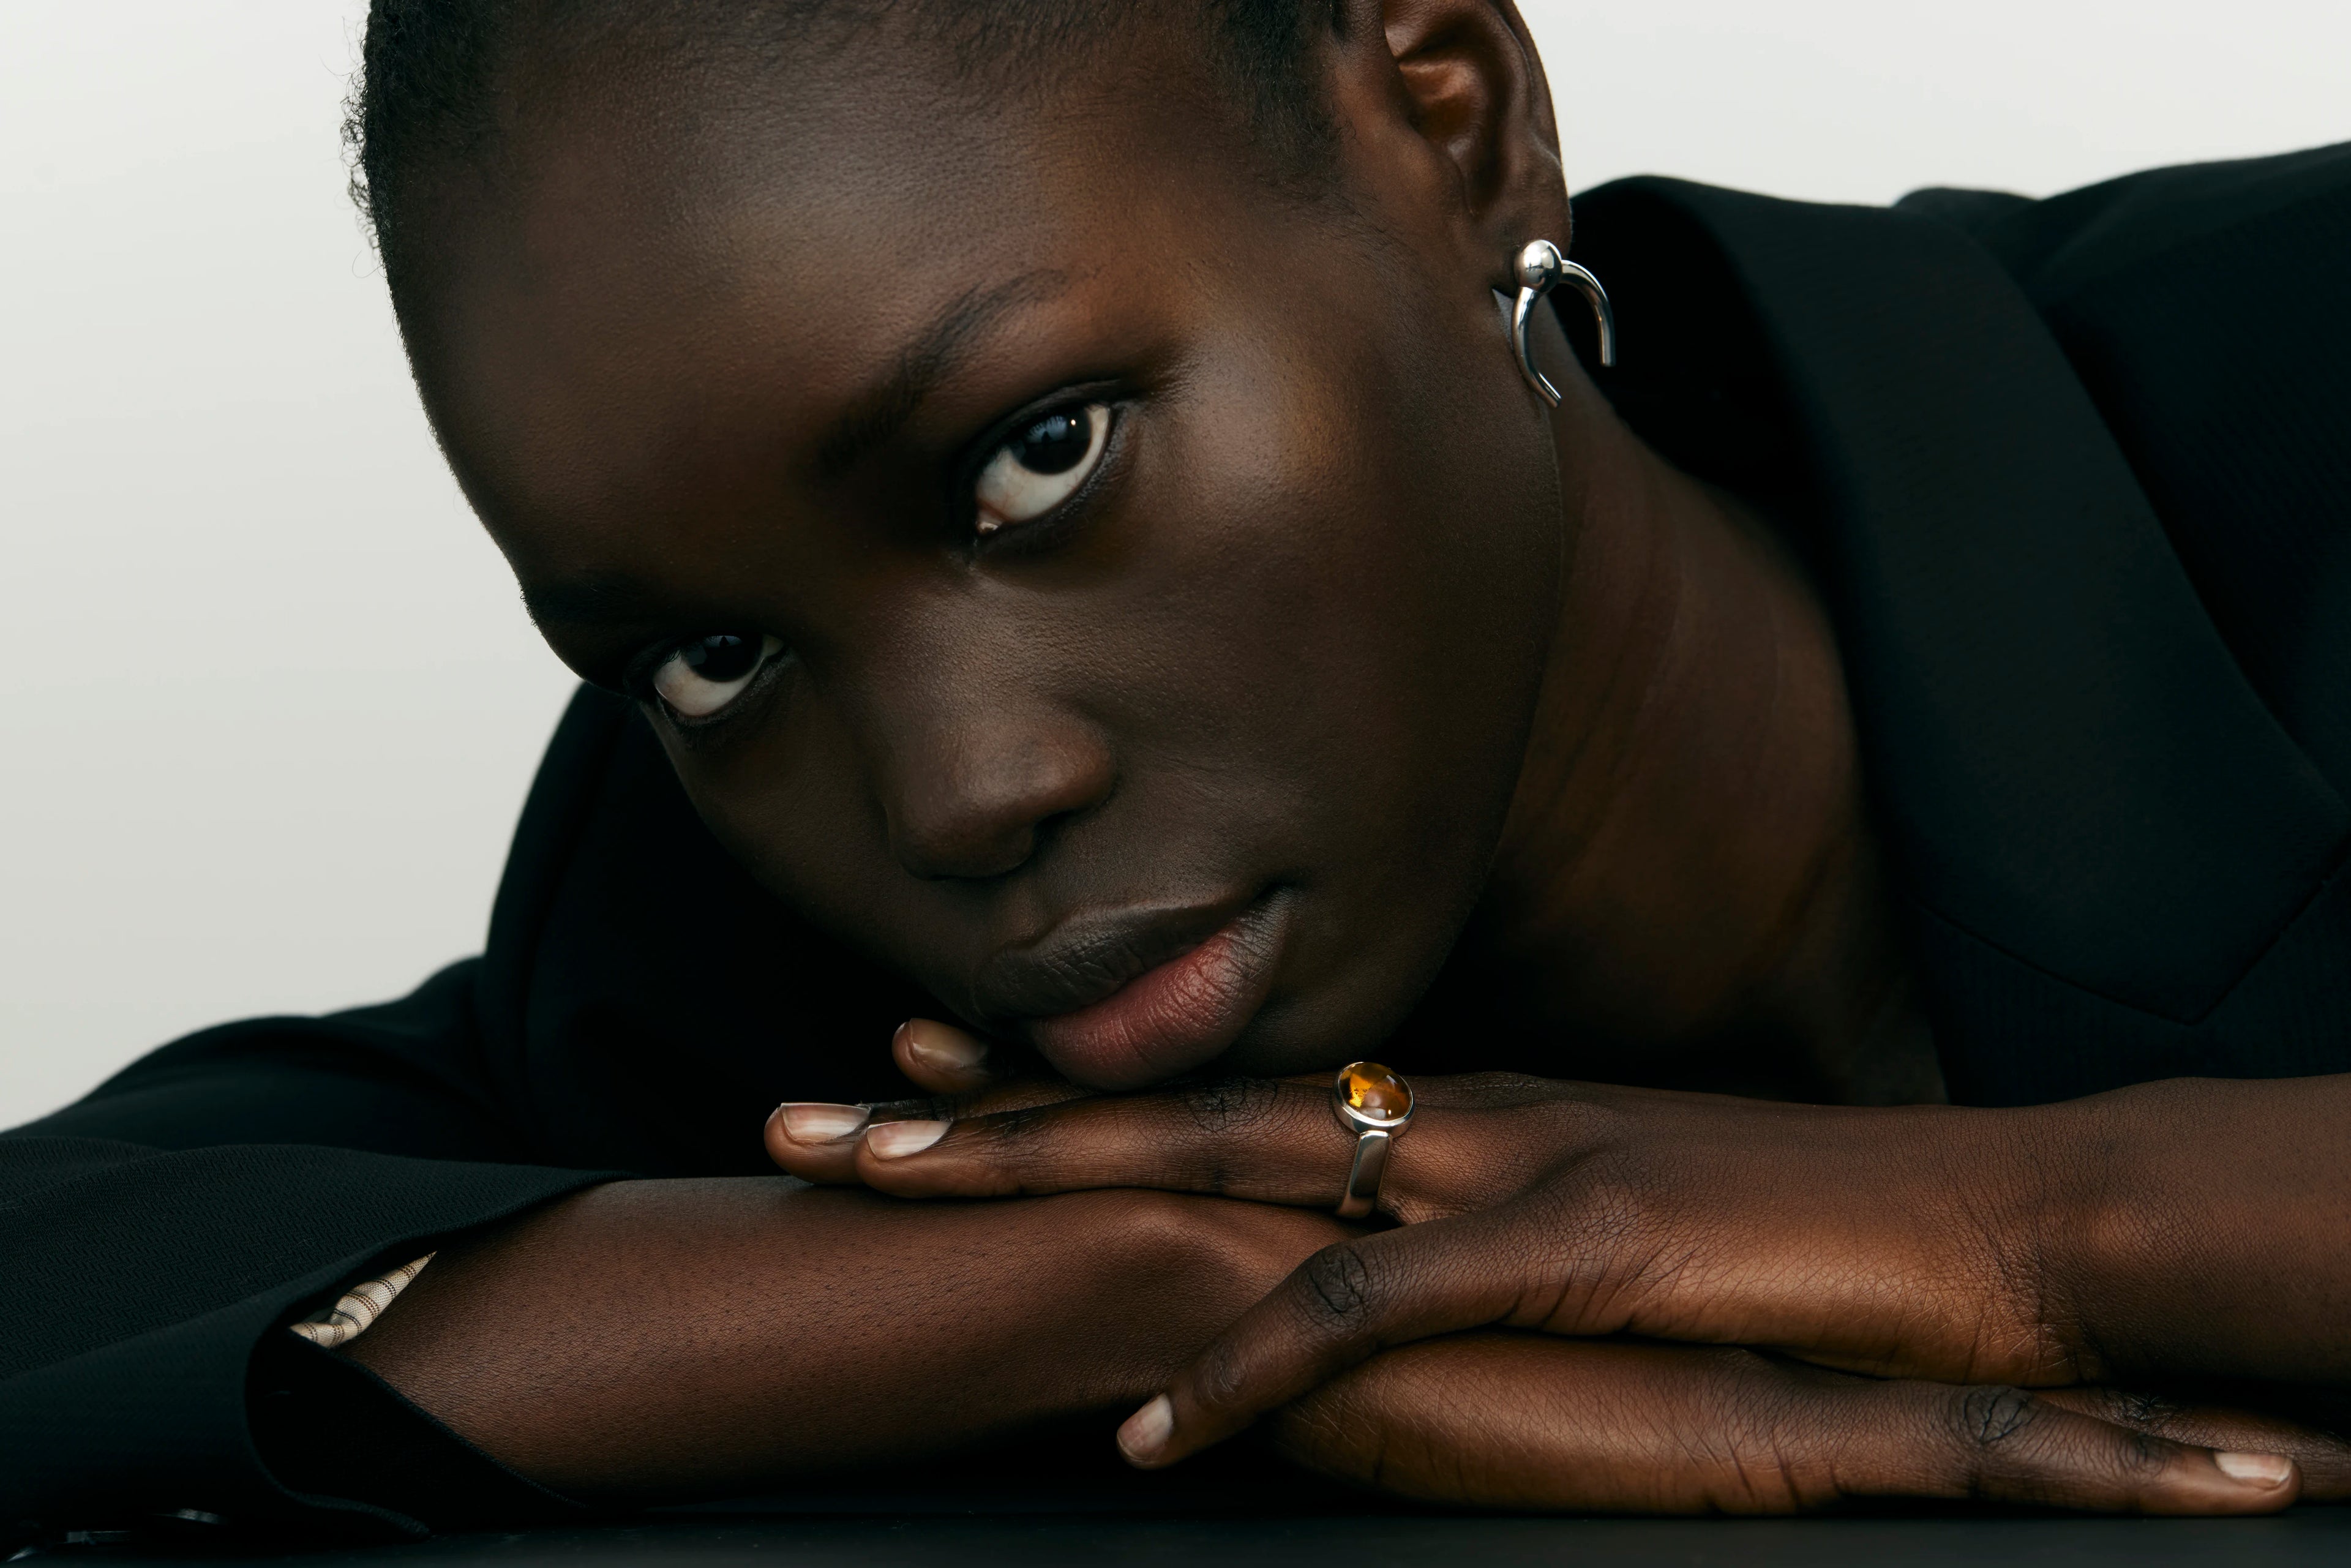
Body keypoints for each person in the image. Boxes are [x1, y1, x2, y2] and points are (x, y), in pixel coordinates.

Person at [5, 0, 2349, 1542]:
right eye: (710, 653)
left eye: (1040, 456)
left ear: (1447, 117)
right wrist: (1127, 1290)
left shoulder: (2290, 374)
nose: (952, 797)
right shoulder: (711, 937)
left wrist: (2029, 1232)